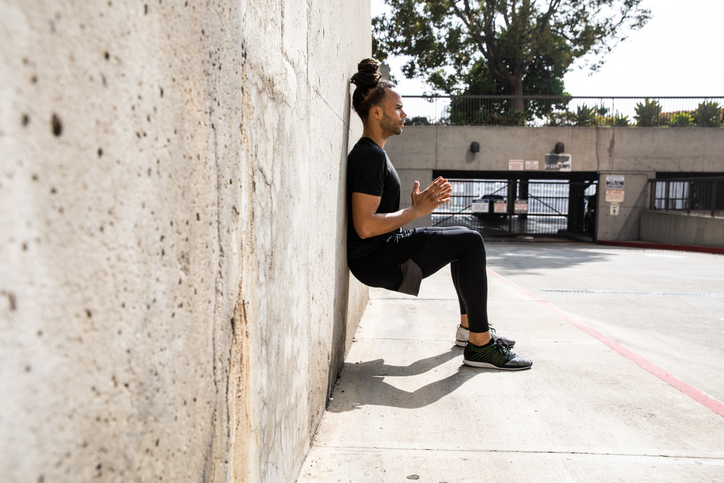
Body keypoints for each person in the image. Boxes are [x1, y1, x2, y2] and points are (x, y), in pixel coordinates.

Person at [346, 58, 532, 370]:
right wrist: (415, 210)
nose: (404, 114)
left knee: (464, 241)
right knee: (470, 242)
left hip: (382, 252)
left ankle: (470, 330)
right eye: (398, 109)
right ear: (376, 113)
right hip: (376, 258)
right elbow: (364, 226)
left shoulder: (373, 153)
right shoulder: (369, 156)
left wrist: (412, 209)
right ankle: (481, 345)